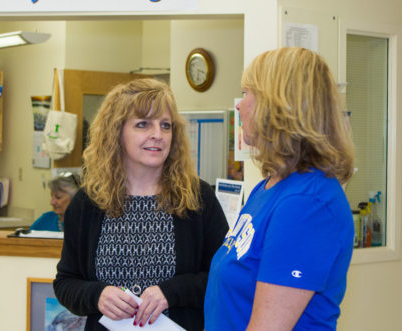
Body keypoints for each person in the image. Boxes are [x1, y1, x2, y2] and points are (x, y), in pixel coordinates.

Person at [54, 78, 229, 330]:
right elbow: (66, 283)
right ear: (117, 131)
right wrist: (97, 295)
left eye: (165, 125)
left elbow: (222, 277)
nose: (157, 135)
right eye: (143, 124)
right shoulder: (89, 202)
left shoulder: (196, 197)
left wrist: (171, 292)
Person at [204, 47, 356, 330]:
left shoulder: (307, 204)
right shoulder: (269, 188)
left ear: (278, 105)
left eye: (248, 92)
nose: (239, 104)